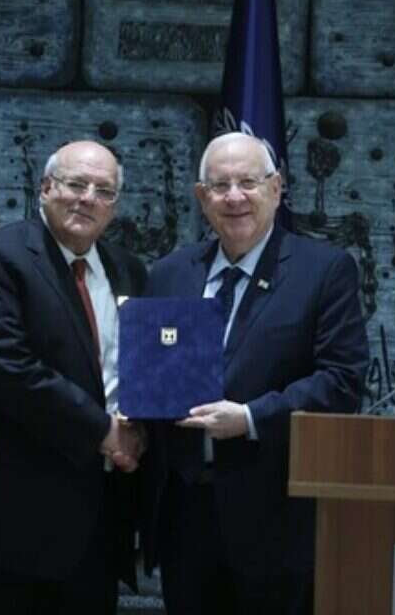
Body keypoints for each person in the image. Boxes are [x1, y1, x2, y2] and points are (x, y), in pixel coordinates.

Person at [141, 132, 369, 614]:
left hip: (275, 518)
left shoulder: (324, 270)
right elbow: (155, 376)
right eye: (220, 186)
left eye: (248, 182)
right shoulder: (169, 273)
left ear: (276, 188)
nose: (234, 197)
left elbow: (341, 381)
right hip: (185, 518)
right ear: (201, 197)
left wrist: (249, 418)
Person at [0, 140, 147, 615]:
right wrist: (102, 430)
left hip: (100, 518)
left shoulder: (128, 270)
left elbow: (137, 368)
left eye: (103, 190)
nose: (87, 198)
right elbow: (6, 370)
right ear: (46, 188)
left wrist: (147, 426)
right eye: (76, 184)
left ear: (114, 206)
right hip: (14, 523)